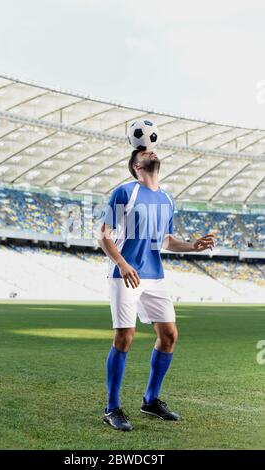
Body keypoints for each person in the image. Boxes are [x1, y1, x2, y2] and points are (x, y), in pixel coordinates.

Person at [98, 149, 215, 431]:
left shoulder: (167, 198)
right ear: (136, 166)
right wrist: (123, 264)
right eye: (142, 152)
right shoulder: (124, 192)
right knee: (124, 338)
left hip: (155, 275)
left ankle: (150, 400)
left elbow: (166, 240)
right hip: (126, 274)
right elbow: (104, 235)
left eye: (151, 148)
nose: (150, 151)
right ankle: (111, 408)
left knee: (169, 335)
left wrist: (192, 246)